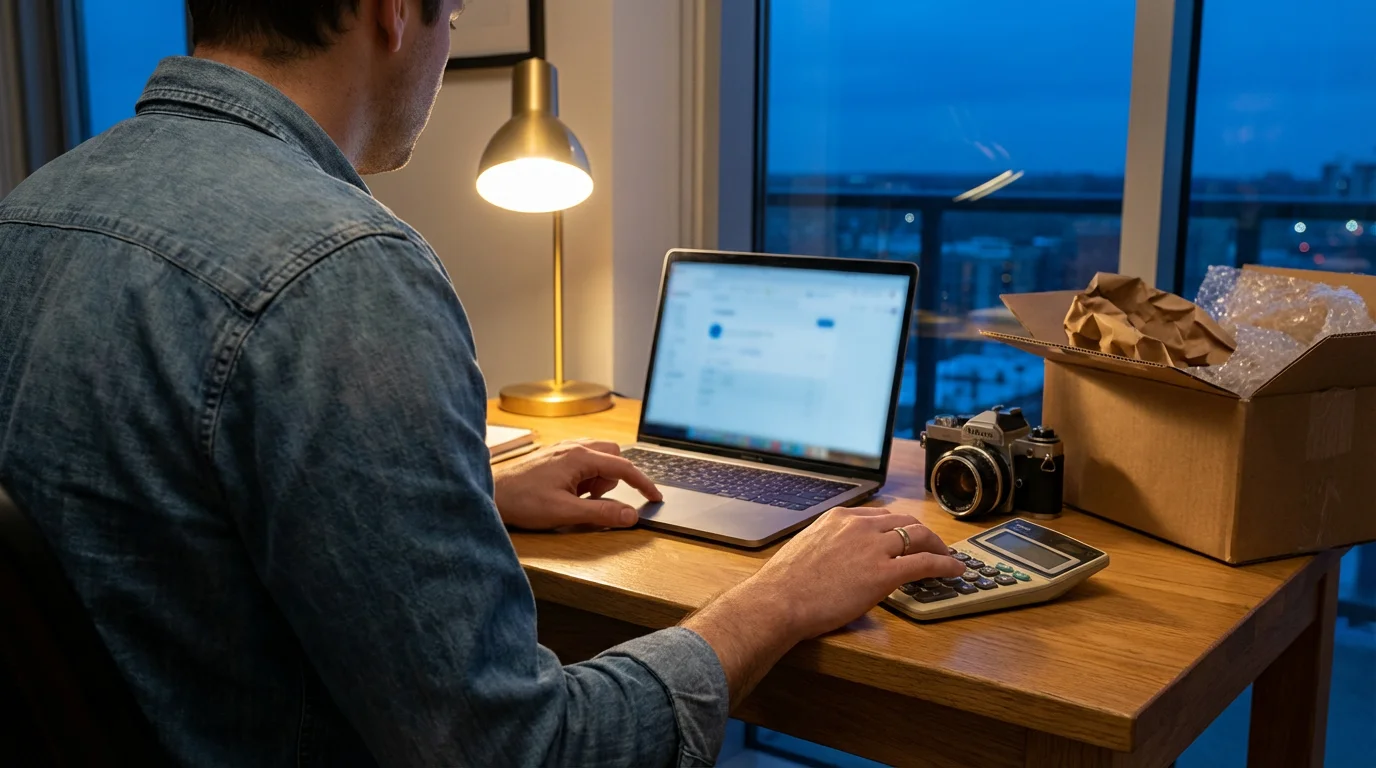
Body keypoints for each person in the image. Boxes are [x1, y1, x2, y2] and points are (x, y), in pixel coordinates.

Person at [0, 1, 964, 765]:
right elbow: (524, 753)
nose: (446, 42)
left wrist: (465, 494)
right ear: (390, 12)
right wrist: (778, 599)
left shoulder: (30, 213)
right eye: (453, 16)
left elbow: (154, 517)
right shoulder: (340, 271)